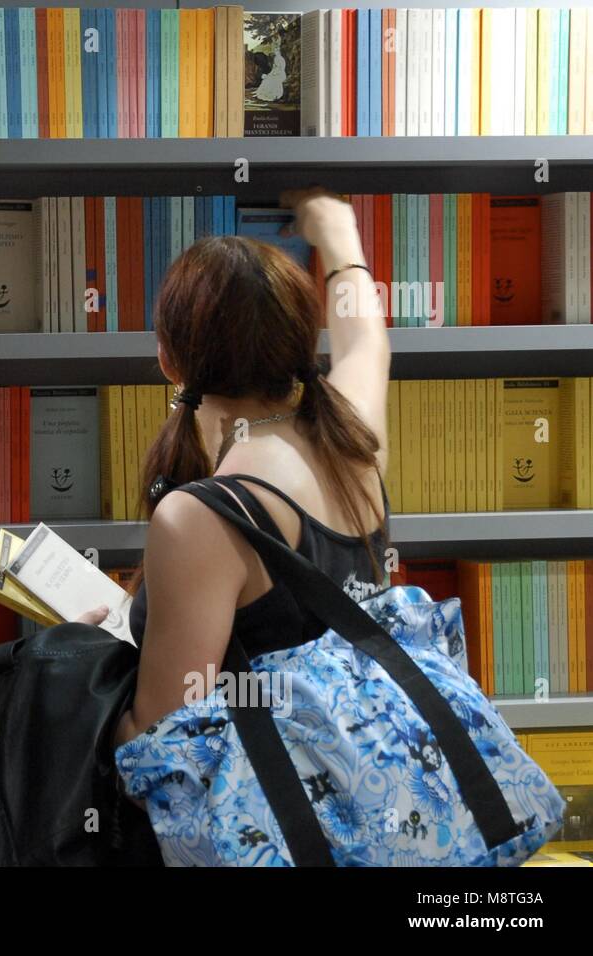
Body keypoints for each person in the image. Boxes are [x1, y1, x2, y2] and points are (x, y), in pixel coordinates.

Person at [114, 189, 390, 744]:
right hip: (359, 804)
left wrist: (82, 657)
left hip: (269, 823)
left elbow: (161, 740)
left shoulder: (200, 518)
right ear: (299, 346)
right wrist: (338, 233)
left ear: (169, 362)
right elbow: (366, 344)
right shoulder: (354, 441)